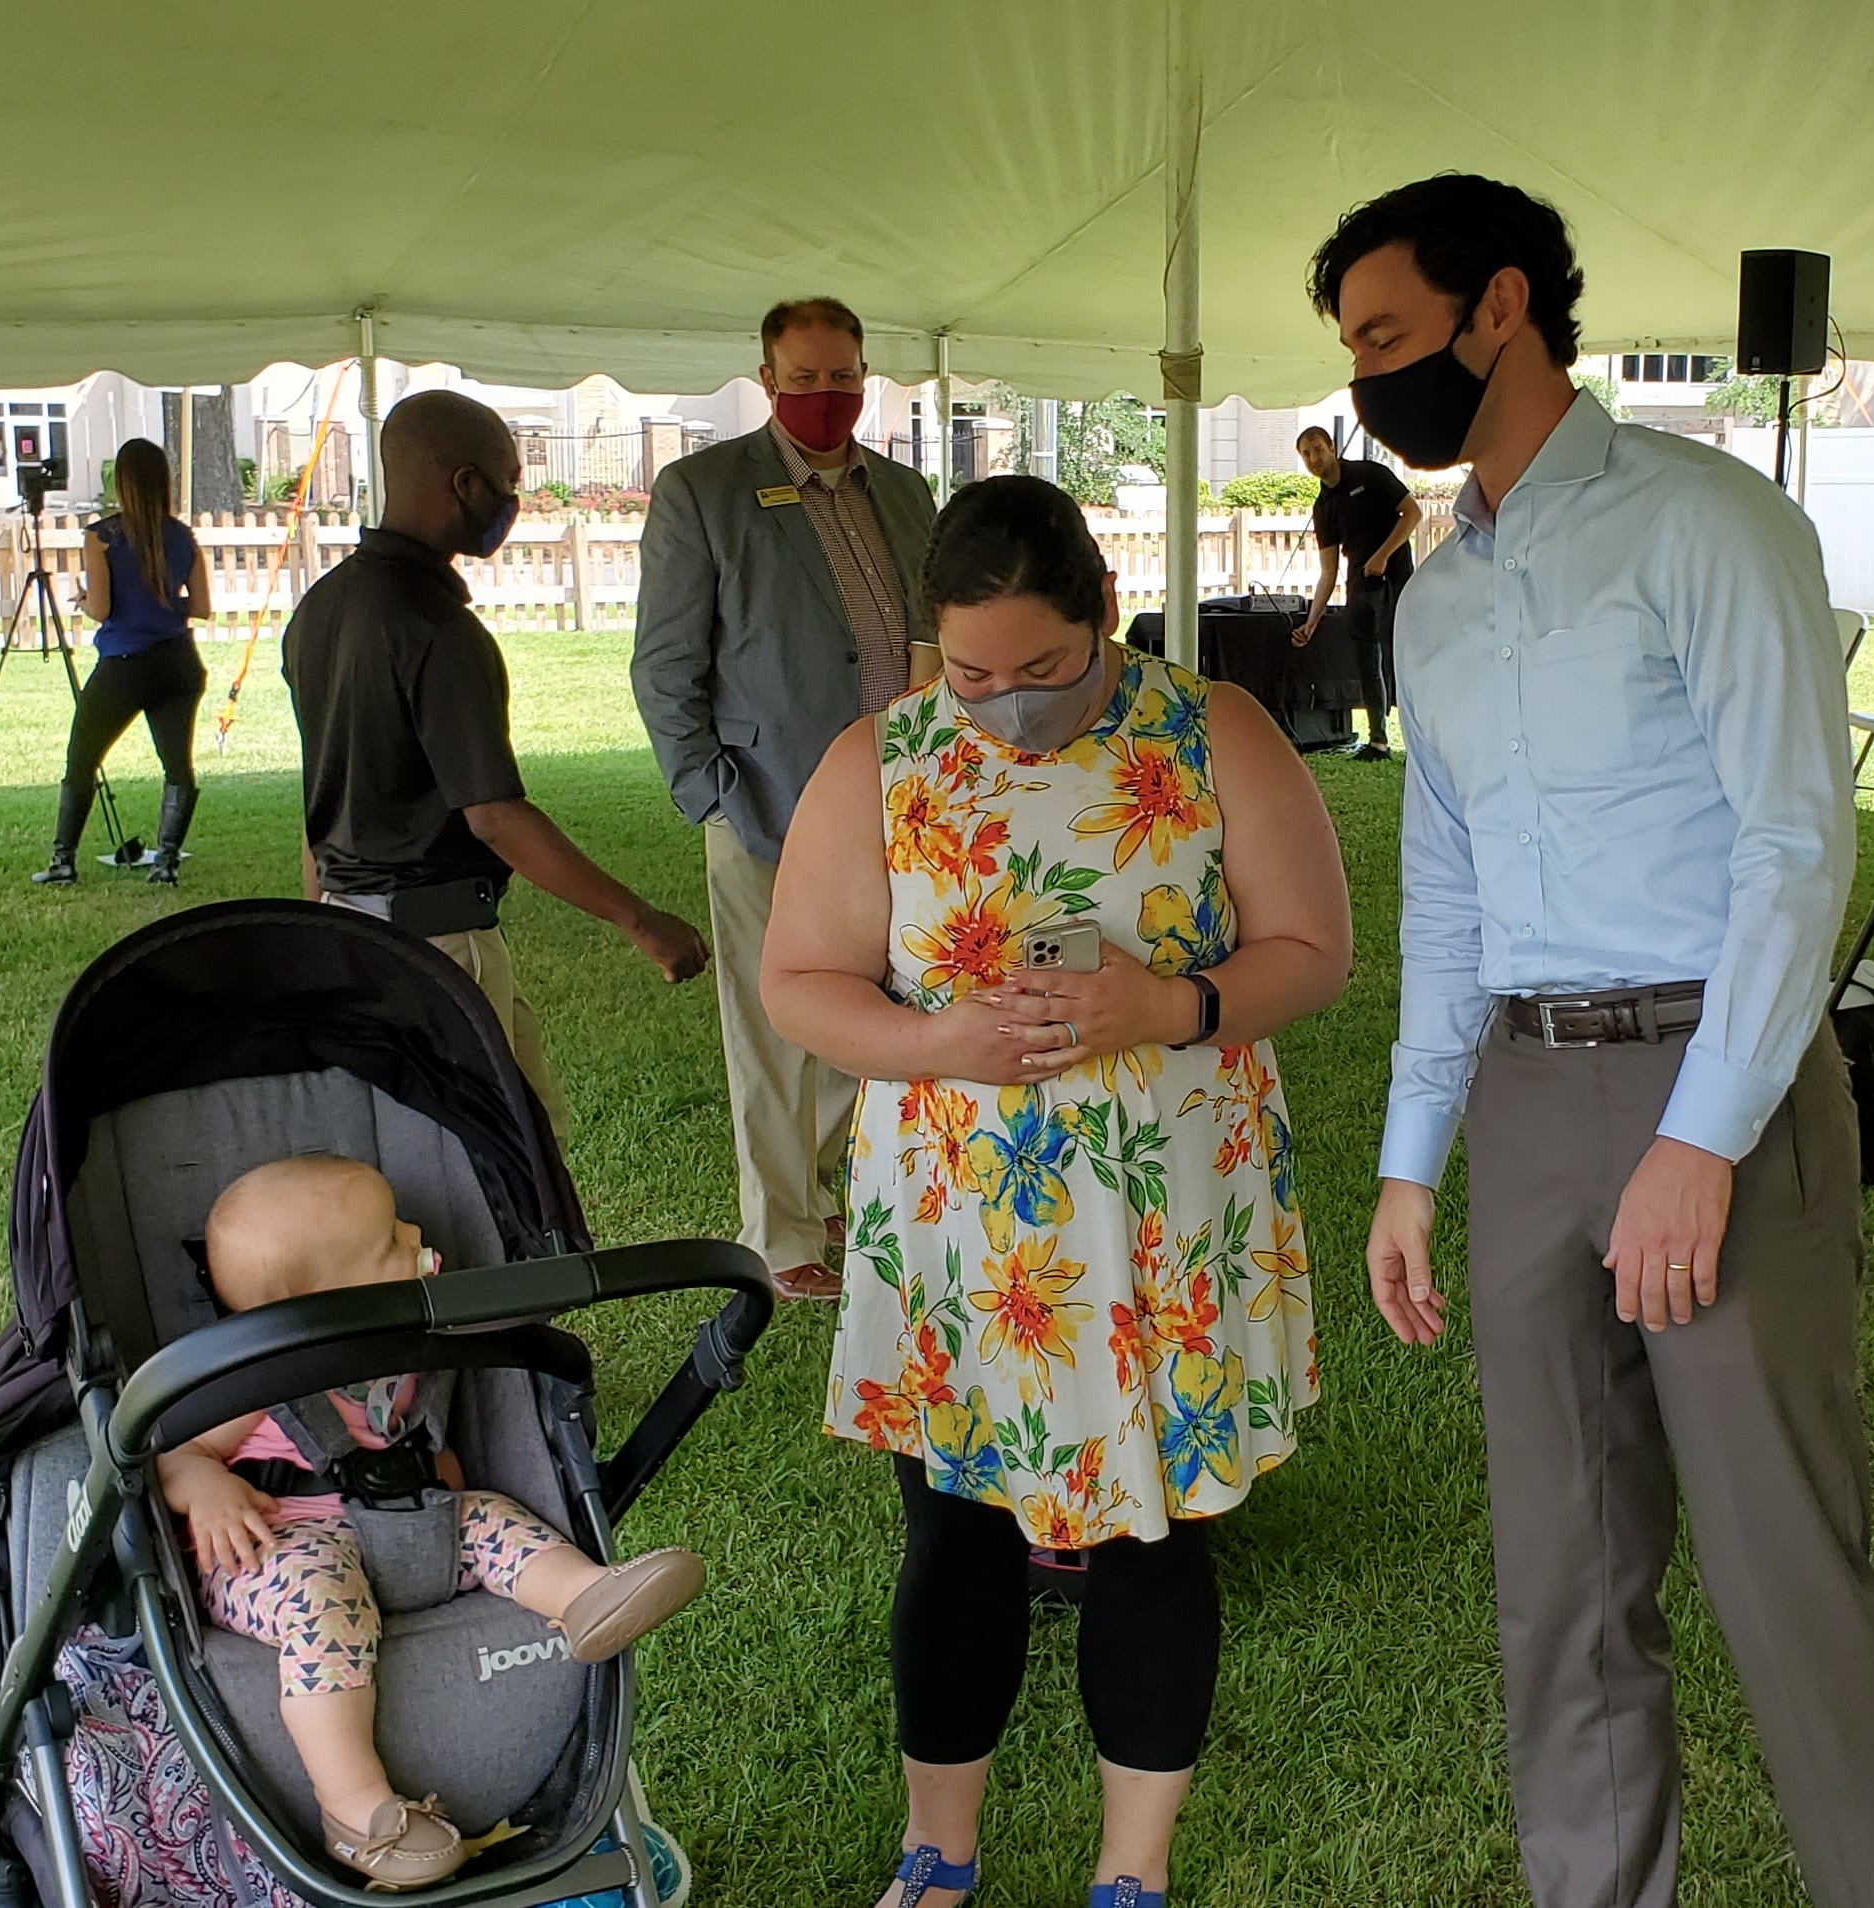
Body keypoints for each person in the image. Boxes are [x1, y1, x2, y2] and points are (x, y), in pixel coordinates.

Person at [1318, 173, 1874, 1908]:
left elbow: (1791, 845)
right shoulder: (1437, 599)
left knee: (1787, 1575)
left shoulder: (1710, 524)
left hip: (1724, 1084)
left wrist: (1702, 1136)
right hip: (1528, 1096)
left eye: (1384, 335)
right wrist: (1407, 1163)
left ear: (1500, 307)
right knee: (1561, 1579)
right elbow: (1445, 906)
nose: (1364, 380)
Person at [759, 475, 1351, 1908]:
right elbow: (800, 981)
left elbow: (1313, 951)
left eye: (1041, 669)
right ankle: (937, 1849)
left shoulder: (1216, 731)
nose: (1006, 701)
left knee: (1151, 1538)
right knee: (952, 1529)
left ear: (1102, 612)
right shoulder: (882, 758)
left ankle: (1130, 1876)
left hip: (1164, 1217)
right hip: (963, 1239)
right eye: (971, 673)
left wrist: (1166, 1006)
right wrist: (937, 1043)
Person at [165, 1154, 710, 1891]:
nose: (417, 1232)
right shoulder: (255, 1376)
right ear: (324, 1301)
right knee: (321, 1604)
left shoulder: (409, 1355)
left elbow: (413, 1440)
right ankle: (355, 1810)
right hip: (277, 1552)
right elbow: (174, 1450)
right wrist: (204, 1485)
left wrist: (439, 1475)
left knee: (489, 1517)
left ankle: (585, 1596)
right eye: (392, 1239)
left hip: (406, 1531)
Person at [284, 389, 709, 1132]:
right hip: (439, 945)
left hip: (351, 933)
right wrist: (640, 921)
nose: (513, 500)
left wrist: (323, 922)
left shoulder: (320, 608)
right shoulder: (439, 632)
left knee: (483, 1138)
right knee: (497, 1161)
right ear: (465, 485)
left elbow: (320, 797)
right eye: (509, 481)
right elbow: (494, 817)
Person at [633, 297, 941, 1302]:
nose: (825, 397)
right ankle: (779, 1235)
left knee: (878, 1001)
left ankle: (838, 1190)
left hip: (900, 802)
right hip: (765, 802)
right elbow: (665, 667)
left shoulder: (905, 491)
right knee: (773, 1023)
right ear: (766, 382)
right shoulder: (704, 492)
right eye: (803, 380)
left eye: (842, 376)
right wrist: (708, 796)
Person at [38, 437, 218, 887]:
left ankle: (63, 861)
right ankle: (167, 861)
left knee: (82, 757)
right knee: (177, 764)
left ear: (120, 481)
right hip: (177, 662)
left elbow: (100, 608)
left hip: (123, 662)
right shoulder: (182, 536)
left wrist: (82, 600)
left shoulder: (102, 536)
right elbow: (201, 607)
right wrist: (163, 609)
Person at [1290, 423, 1416, 758]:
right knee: (1366, 661)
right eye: (1305, 454)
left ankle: (1419, 741)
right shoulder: (1323, 507)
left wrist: (1384, 554)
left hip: (1396, 580)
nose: (1313, 458)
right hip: (1360, 583)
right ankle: (1378, 740)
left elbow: (1413, 513)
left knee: (1398, 659)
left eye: (1317, 448)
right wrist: (1312, 622)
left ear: (1332, 447)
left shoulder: (1370, 475)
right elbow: (1328, 571)